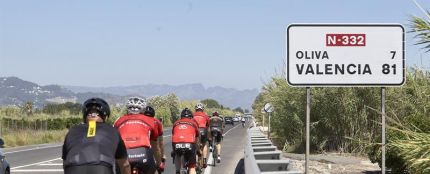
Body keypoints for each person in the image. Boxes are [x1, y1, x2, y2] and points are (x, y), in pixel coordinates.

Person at [62, 98, 130, 174]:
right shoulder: (113, 131)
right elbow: (125, 165)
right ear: (106, 117)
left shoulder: (72, 131)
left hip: (73, 169)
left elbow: (65, 163)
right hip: (101, 169)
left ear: (84, 116)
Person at [114, 97, 160, 174]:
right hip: (144, 154)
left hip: (124, 154)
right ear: (143, 109)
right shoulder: (150, 120)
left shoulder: (119, 120)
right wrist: (159, 162)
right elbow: (155, 146)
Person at [171, 108, 199, 174]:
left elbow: (173, 135)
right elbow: (197, 138)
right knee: (192, 168)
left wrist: (173, 150)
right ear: (191, 116)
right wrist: (198, 150)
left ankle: (177, 171)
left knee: (177, 155)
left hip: (176, 144)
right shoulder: (193, 123)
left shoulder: (176, 123)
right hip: (190, 144)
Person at [143, 105, 166, 173]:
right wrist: (162, 156)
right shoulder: (156, 121)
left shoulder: (140, 120)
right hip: (151, 144)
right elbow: (160, 142)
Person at [192, 103, 210, 168]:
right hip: (203, 131)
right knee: (204, 144)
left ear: (196, 109)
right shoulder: (205, 115)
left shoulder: (192, 115)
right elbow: (208, 125)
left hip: (195, 131)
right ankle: (204, 161)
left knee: (195, 146)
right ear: (202, 109)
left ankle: (196, 162)